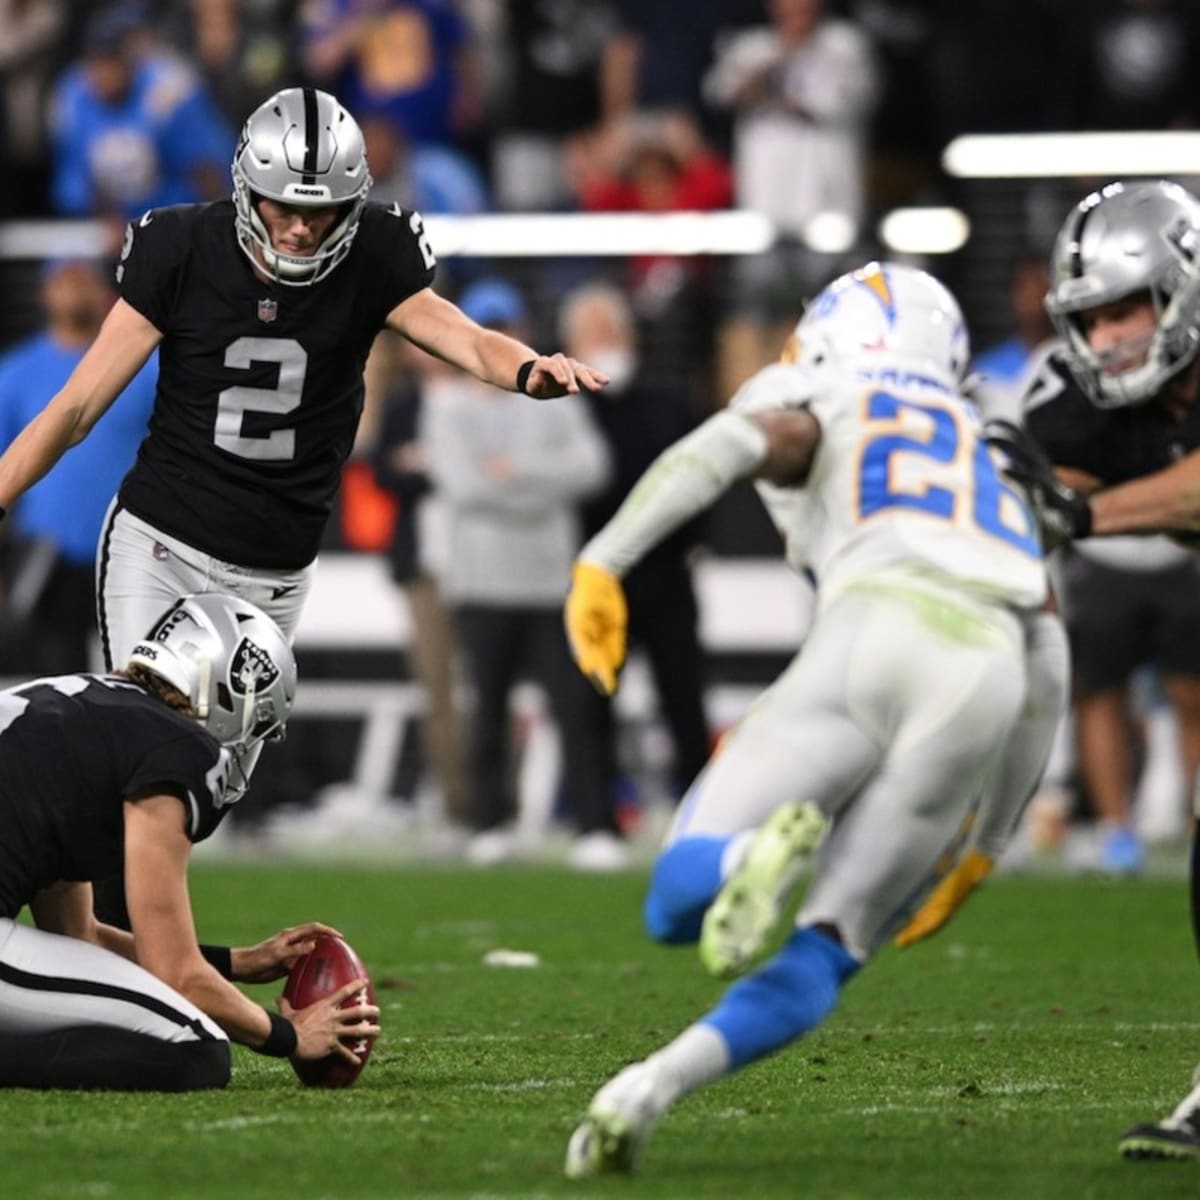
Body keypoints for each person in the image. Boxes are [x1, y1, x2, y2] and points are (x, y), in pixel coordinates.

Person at [558, 262, 1057, 1176]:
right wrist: (986, 844)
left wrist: (605, 559)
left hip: (873, 625)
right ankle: (649, 1088)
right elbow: (1049, 663)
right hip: (981, 671)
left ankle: (750, 856)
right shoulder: (989, 453)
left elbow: (743, 442)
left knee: (676, 898)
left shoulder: (824, 381)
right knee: (833, 946)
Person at [0, 83, 607, 685]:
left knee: (216, 776)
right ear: (246, 190)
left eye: (321, 211)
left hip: (276, 567)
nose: (300, 229)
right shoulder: (181, 249)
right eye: (283, 206)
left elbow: (469, 339)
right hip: (163, 544)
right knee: (151, 746)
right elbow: (77, 407)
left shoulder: (376, 252)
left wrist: (527, 369)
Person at [990, 178, 1200, 1162]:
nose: (1109, 336)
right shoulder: (1069, 396)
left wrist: (1078, 514)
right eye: (1091, 316)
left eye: (1127, 308)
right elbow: (1019, 495)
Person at [0, 591, 379, 1090]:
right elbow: (176, 973)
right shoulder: (177, 747)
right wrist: (289, 1034)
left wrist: (236, 963)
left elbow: (79, 936)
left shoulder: (82, 706)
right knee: (195, 1047)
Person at [421, 278, 619, 868]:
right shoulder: (448, 409)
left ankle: (595, 827)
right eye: (492, 327)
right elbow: (463, 486)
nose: (504, 337)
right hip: (482, 583)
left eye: (510, 326)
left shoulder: (558, 395)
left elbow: (591, 469)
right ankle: (491, 823)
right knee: (487, 710)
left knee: (576, 709)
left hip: (549, 580)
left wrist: (514, 473)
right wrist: (537, 484)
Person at [560, 282, 712, 811]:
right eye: (594, 333)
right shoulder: (561, 406)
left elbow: (699, 477)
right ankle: (595, 816)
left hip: (665, 572)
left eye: (612, 330)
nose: (607, 341)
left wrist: (691, 543)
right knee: (593, 700)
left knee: (684, 698)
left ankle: (701, 810)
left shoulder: (667, 399)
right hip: (598, 577)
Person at [0, 258, 156, 675]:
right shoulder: (15, 373)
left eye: (85, 281)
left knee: (135, 681)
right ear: (45, 293)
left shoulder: (144, 363)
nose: (76, 292)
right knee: (54, 681)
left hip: (132, 551)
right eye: (65, 282)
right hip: (48, 554)